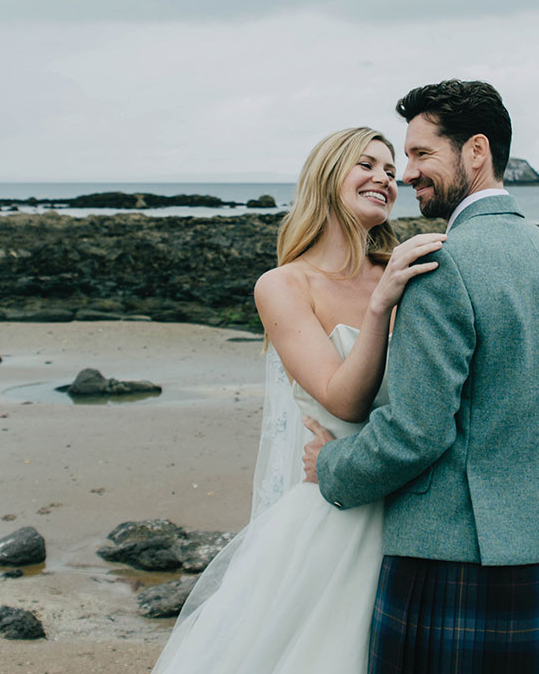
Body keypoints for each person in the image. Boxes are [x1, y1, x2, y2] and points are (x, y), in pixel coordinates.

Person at [304, 80, 539, 674]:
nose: (407, 174)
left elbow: (416, 431)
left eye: (420, 154)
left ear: (476, 152)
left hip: (446, 561)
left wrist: (332, 466)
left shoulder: (442, 263)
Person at [150, 126, 445, 674]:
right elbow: (344, 400)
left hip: (413, 500)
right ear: (327, 176)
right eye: (367, 165)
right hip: (335, 509)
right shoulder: (284, 286)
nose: (384, 177)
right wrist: (381, 306)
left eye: (389, 169)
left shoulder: (405, 272)